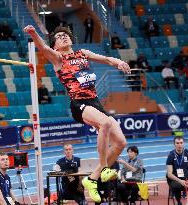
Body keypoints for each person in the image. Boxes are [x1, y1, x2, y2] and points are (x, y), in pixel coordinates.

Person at [24, 25, 129, 203]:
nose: (63, 37)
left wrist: (118, 62)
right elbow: (43, 48)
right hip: (79, 103)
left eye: (66, 35)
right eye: (59, 37)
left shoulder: (83, 53)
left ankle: (91, 179)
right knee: (105, 123)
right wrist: (34, 33)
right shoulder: (58, 58)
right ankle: (103, 169)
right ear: (55, 45)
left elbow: (106, 59)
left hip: (95, 102)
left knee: (120, 142)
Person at [166, 136, 188, 205]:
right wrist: (180, 181)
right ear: (174, 144)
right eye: (177, 143)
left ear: (183, 143)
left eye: (181, 143)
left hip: (186, 178)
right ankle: (179, 202)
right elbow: (169, 174)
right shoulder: (171, 155)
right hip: (175, 179)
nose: (179, 145)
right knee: (177, 186)